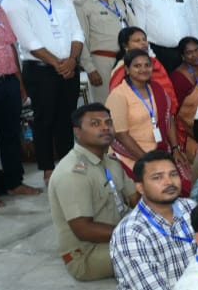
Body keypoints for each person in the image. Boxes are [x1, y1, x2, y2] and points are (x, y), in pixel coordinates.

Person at [2, 0, 85, 187]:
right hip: (39, 70)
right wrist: (58, 63)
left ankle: (68, 166)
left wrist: (71, 60)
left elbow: (77, 33)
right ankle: (48, 171)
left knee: (67, 119)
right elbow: (27, 41)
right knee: (44, 120)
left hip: (69, 67)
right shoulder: (14, 2)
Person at [109, 151, 196, 290]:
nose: (169, 182)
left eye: (173, 174)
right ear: (140, 187)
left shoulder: (191, 209)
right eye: (157, 177)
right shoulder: (131, 233)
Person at [48, 103, 138, 280]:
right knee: (155, 249)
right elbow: (84, 230)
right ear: (77, 132)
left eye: (108, 122)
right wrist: (136, 234)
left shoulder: (111, 161)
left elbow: (135, 199)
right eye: (95, 123)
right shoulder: (72, 173)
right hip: (87, 255)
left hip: (117, 237)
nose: (105, 127)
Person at [105, 50, 188, 181]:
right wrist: (147, 161)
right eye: (137, 66)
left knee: (185, 183)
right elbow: (121, 135)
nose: (143, 69)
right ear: (127, 69)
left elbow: (169, 118)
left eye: (147, 65)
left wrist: (175, 149)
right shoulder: (119, 95)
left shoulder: (157, 89)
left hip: (160, 150)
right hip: (131, 156)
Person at [0, 1, 39, 208]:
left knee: (11, 135)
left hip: (8, 81)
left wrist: (19, 82)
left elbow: (11, 47)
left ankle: (14, 183)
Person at [73, 0, 135, 102]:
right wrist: (90, 68)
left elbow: (132, 25)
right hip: (102, 62)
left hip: (127, 58)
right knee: (107, 102)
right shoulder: (80, 4)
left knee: (130, 101)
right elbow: (81, 38)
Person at [170, 37, 198, 159]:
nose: (195, 55)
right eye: (189, 52)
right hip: (188, 130)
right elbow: (175, 113)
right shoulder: (178, 78)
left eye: (197, 50)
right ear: (183, 56)